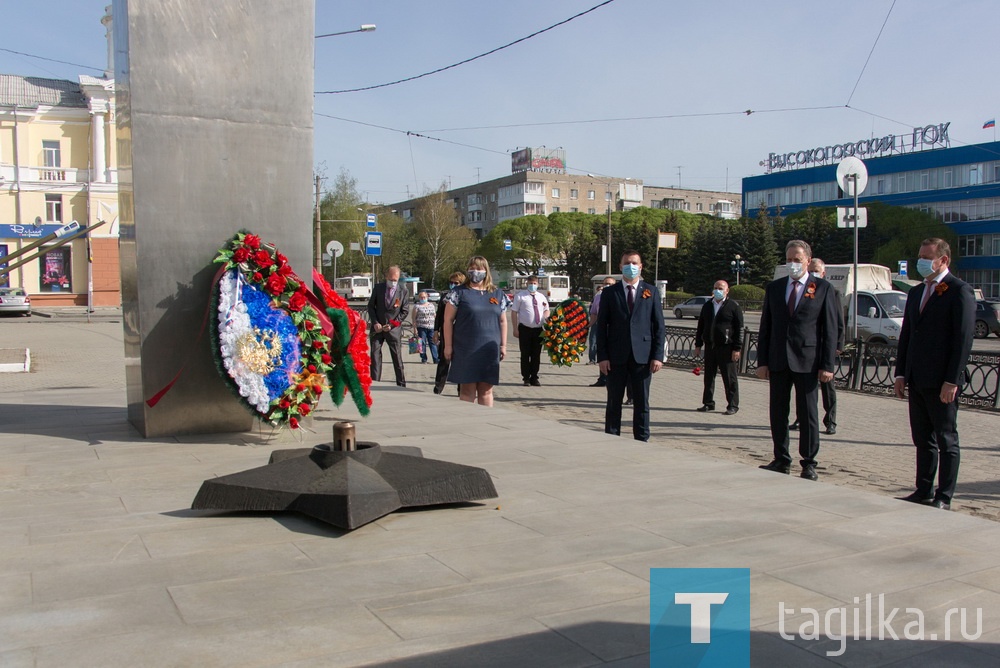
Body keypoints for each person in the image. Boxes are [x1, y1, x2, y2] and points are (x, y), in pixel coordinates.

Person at [894, 238, 975, 510]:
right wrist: (901, 373)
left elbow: (962, 340)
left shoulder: (958, 291)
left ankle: (944, 495)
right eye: (920, 255)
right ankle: (923, 489)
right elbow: (908, 335)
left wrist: (952, 379)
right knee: (922, 438)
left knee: (946, 439)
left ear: (943, 260)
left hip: (942, 381)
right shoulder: (917, 292)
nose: (922, 261)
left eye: (927, 256)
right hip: (916, 378)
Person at [756, 240, 839, 481]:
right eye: (789, 259)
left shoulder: (822, 288)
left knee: (808, 413)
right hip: (779, 360)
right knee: (778, 412)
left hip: (808, 361)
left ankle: (809, 462)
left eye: (797, 259)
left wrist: (827, 365)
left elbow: (830, 330)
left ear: (808, 261)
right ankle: (781, 458)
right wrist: (762, 361)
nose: (792, 264)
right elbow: (766, 327)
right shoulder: (775, 288)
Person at [595, 250, 665, 441]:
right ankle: (611, 437)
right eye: (627, 263)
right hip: (615, 357)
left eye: (635, 263)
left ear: (641, 267)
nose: (631, 266)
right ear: (620, 266)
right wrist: (602, 356)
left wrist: (657, 356)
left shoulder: (650, 291)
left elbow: (659, 326)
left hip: (643, 357)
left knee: (642, 402)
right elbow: (601, 327)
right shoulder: (610, 293)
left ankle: (642, 439)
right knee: (613, 401)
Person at [443, 256, 511, 406]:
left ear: (486, 271)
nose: (475, 272)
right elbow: (447, 321)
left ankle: (486, 422)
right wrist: (448, 346)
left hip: (489, 349)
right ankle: (468, 422)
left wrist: (503, 345)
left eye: (479, 269)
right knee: (467, 389)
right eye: (472, 268)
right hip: (466, 348)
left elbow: (503, 320)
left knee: (486, 389)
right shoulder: (458, 293)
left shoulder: (497, 294)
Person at [790, 258, 845, 434]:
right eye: (811, 269)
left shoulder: (830, 292)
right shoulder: (800, 290)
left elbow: (837, 322)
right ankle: (801, 418)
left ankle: (830, 421)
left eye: (817, 271)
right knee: (803, 388)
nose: (813, 273)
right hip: (806, 349)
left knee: (827, 387)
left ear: (823, 273)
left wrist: (837, 345)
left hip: (824, 347)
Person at [694, 279, 744, 415]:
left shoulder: (733, 306)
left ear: (727, 291)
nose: (718, 290)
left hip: (727, 348)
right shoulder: (708, 305)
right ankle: (708, 403)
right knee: (709, 377)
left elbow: (740, 328)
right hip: (710, 346)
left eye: (721, 288)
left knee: (729, 378)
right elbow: (701, 326)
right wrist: (698, 344)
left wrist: (737, 348)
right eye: (715, 288)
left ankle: (732, 405)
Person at [367, 265, 409, 387]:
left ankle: (401, 384)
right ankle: (374, 383)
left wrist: (392, 324)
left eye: (395, 280)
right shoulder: (378, 288)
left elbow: (404, 311)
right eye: (391, 279)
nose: (393, 282)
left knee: (397, 358)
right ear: (386, 277)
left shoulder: (403, 291)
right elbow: (371, 307)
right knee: (375, 357)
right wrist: (375, 322)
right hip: (377, 329)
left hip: (393, 330)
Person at [511, 275, 550, 386]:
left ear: (537, 284)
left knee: (536, 354)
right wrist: (515, 328)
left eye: (534, 283)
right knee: (525, 354)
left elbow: (546, 310)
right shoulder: (521, 296)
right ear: (527, 284)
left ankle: (534, 377)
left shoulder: (541, 296)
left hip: (538, 329)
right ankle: (526, 377)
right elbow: (514, 312)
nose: (532, 285)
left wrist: (546, 317)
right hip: (525, 329)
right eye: (530, 283)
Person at [433, 272, 464, 394]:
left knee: (460, 361)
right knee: (444, 360)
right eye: (451, 282)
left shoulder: (464, 295)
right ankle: (438, 387)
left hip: (460, 332)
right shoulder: (445, 296)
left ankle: (461, 389)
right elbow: (439, 315)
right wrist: (436, 331)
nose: (453, 285)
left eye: (456, 283)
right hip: (446, 331)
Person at [589, 277, 617, 384]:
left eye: (610, 283)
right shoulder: (598, 296)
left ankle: (614, 378)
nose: (607, 285)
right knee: (602, 351)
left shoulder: (618, 295)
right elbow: (594, 313)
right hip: (602, 327)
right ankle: (602, 378)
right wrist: (588, 325)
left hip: (615, 328)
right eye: (605, 283)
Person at [411, 291, 439, 364]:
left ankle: (435, 359)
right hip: (421, 327)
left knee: (433, 343)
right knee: (422, 343)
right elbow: (414, 318)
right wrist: (414, 328)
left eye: (424, 297)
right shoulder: (417, 306)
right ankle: (424, 359)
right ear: (419, 298)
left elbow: (435, 315)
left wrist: (437, 326)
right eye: (421, 297)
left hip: (431, 327)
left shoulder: (431, 305)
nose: (423, 298)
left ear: (427, 297)